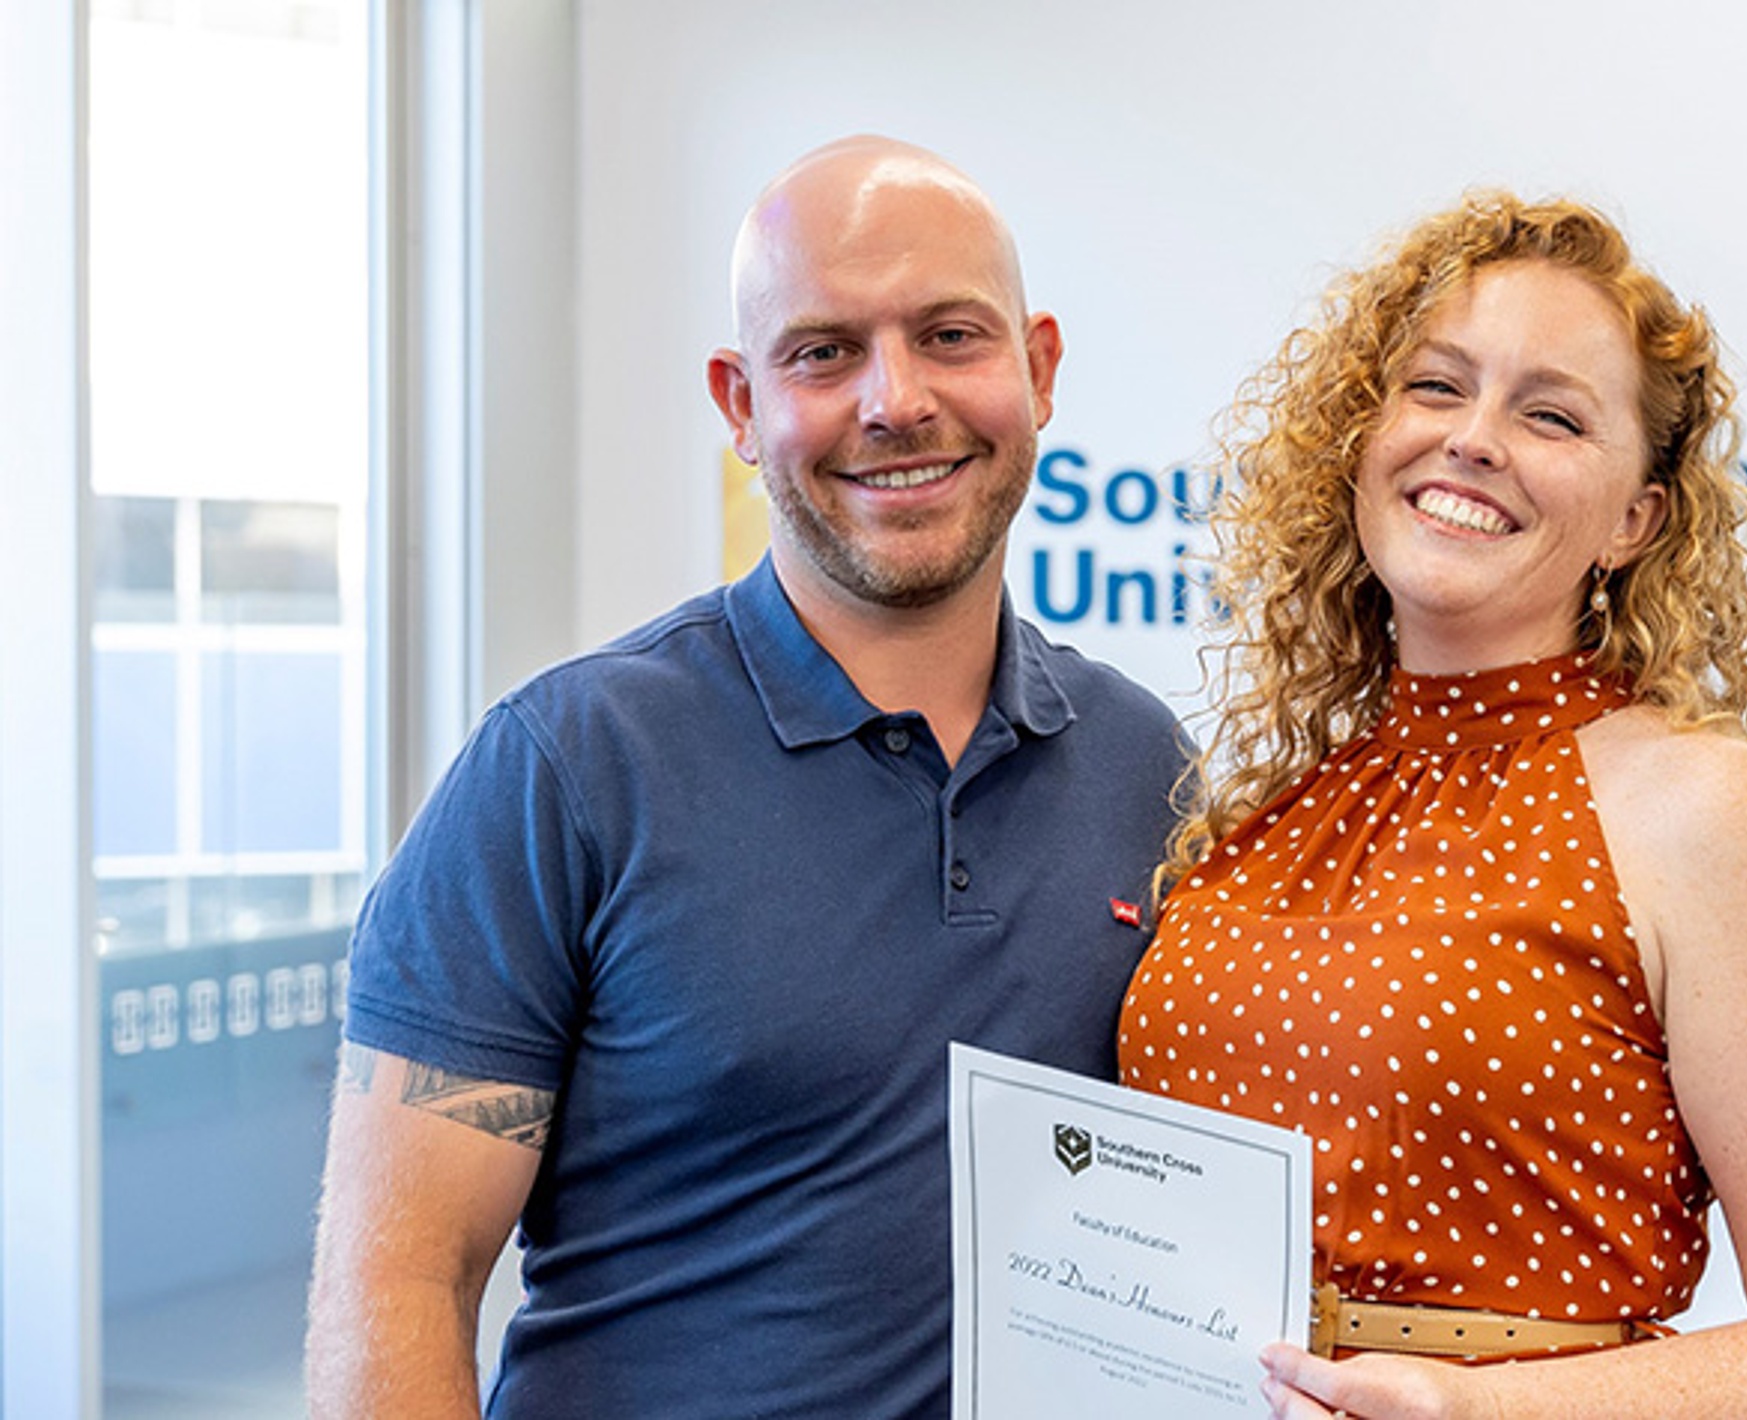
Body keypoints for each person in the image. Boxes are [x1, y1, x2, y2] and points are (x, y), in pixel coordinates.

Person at [305, 136, 1185, 1418]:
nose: (895, 402)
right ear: (737, 403)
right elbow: (396, 1277)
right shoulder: (565, 768)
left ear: (1037, 369)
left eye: (950, 335)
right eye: (823, 351)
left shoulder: (1143, 763)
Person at [1118, 191, 1747, 1419]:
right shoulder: (1273, 807)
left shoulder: (1704, 811)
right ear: (1359, 435)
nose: (1474, 438)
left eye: (1549, 414)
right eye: (1436, 387)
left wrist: (1474, 1411)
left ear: (1634, 518)